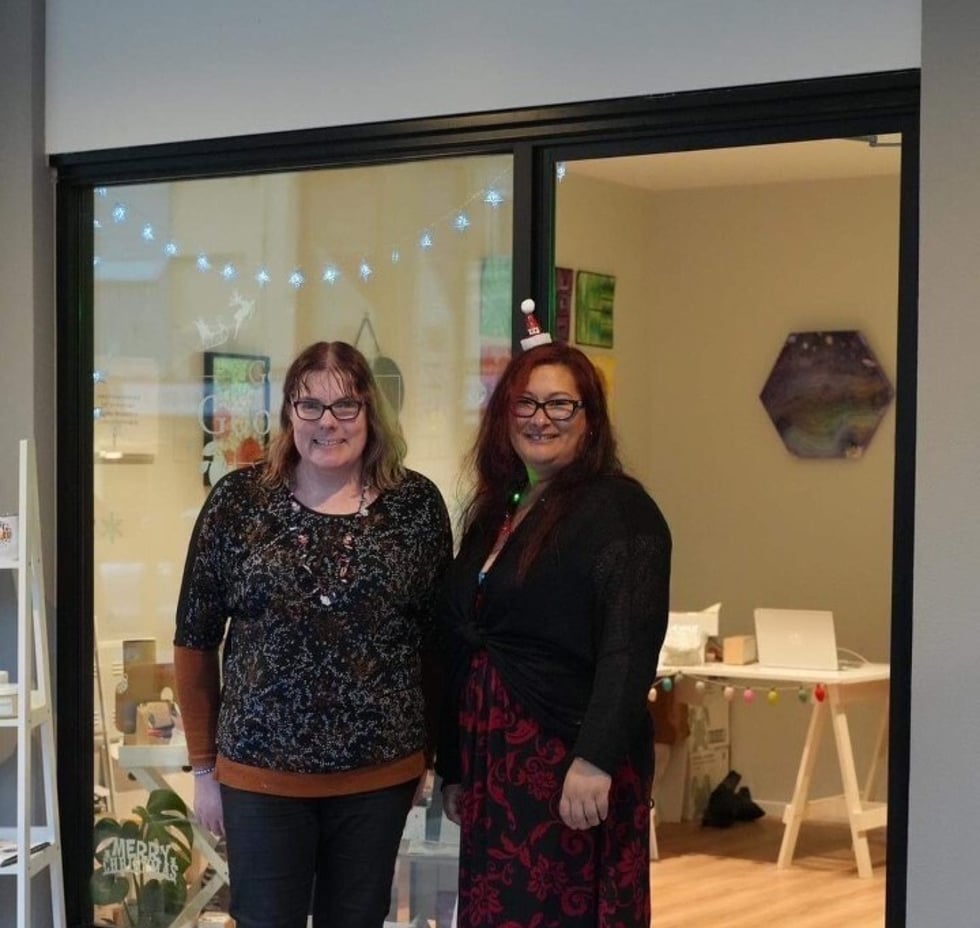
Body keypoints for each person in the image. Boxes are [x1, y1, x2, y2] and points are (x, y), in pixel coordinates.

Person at [174, 341, 452, 928]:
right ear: (289, 413)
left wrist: (427, 756)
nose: (329, 422)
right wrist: (203, 769)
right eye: (310, 406)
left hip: (378, 777)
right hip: (260, 777)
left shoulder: (416, 507)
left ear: (370, 413)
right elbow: (195, 637)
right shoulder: (238, 502)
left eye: (346, 405)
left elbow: (435, 644)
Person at [436, 340, 671, 928]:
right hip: (495, 763)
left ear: (590, 420)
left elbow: (629, 647)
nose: (540, 418)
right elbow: (467, 636)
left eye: (561, 404)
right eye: (526, 403)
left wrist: (595, 759)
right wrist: (455, 764)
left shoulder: (620, 511)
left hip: (567, 760)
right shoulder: (501, 509)